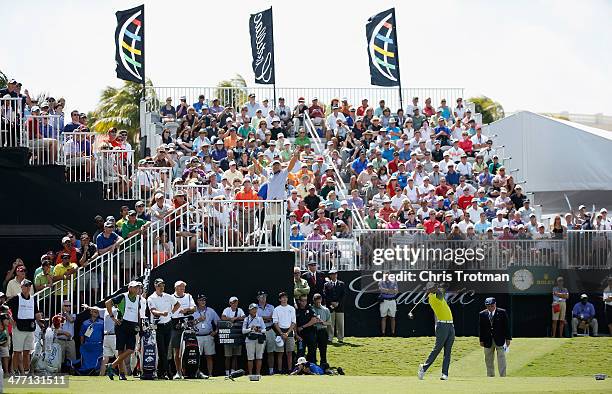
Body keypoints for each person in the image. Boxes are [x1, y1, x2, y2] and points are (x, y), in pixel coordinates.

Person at [105, 281, 144, 380]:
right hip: (122, 325)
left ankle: (111, 366)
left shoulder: (139, 298)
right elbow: (108, 303)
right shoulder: (123, 296)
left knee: (131, 349)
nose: (137, 289)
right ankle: (121, 374)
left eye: (138, 287)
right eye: (135, 287)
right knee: (121, 350)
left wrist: (139, 325)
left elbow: (138, 313)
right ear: (129, 288)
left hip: (132, 326)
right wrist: (112, 317)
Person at [418, 282, 455, 381]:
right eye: (432, 288)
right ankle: (424, 367)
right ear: (429, 291)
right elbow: (441, 292)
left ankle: (444, 374)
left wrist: (436, 286)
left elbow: (442, 289)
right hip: (442, 325)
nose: (435, 288)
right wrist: (436, 287)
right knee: (437, 349)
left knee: (448, 351)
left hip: (450, 325)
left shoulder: (437, 295)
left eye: (434, 287)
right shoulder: (433, 298)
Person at [6, 279, 43, 374]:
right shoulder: (15, 298)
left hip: (30, 329)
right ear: (21, 287)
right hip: (18, 328)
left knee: (27, 352)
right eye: (26, 286)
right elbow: (4, 308)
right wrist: (10, 319)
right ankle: (14, 372)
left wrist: (41, 323)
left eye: (29, 286)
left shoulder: (33, 299)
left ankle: (26, 372)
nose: (28, 287)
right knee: (17, 352)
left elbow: (36, 313)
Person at [146, 278, 180, 380]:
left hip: (168, 325)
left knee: (165, 349)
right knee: (161, 350)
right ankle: (168, 372)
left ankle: (161, 372)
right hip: (158, 326)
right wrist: (162, 313)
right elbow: (153, 311)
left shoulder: (168, 296)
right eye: (159, 286)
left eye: (163, 286)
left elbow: (177, 304)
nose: (162, 287)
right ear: (155, 286)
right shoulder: (151, 298)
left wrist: (170, 313)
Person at [478, 297, 511, 377]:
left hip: (500, 339)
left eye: (492, 305)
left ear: (495, 304)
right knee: (488, 359)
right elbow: (481, 328)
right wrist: (481, 340)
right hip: (487, 340)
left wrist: (508, 338)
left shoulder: (502, 312)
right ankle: (490, 376)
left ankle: (503, 376)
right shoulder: (482, 314)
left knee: (501, 358)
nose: (490, 308)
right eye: (488, 306)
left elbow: (506, 326)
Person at [170, 280, 196, 379]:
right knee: (177, 350)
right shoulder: (171, 298)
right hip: (175, 325)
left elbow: (194, 308)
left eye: (183, 287)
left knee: (192, 348)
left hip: (188, 324)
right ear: (176, 288)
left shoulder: (188, 296)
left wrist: (186, 310)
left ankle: (194, 371)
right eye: (180, 287)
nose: (182, 289)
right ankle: (178, 372)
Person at [192, 294, 219, 377]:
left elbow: (219, 322)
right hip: (197, 336)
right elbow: (189, 323)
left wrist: (216, 331)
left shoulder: (210, 311)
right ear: (197, 301)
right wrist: (199, 320)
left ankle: (210, 374)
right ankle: (197, 373)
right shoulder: (193, 310)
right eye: (201, 300)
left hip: (208, 336)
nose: (203, 302)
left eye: (204, 300)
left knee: (209, 356)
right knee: (197, 357)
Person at [272, 292, 296, 374]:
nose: (284, 299)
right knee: (280, 353)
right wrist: (282, 333)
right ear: (279, 299)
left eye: (285, 297)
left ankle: (290, 370)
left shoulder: (292, 308)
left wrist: (287, 333)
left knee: (289, 353)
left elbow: (293, 322)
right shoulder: (276, 309)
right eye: (282, 297)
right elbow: (275, 323)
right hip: (279, 333)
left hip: (289, 332)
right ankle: (279, 370)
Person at [221, 296, 245, 376]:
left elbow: (244, 317)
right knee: (228, 356)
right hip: (228, 336)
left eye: (236, 302)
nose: (234, 304)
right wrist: (230, 319)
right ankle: (227, 372)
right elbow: (223, 317)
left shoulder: (240, 310)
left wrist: (235, 318)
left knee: (235, 355)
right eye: (233, 302)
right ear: (230, 303)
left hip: (237, 335)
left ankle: (233, 372)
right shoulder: (226, 310)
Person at [255, 291, 276, 375]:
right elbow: (256, 319)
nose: (263, 298)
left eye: (264, 296)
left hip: (270, 330)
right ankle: (258, 372)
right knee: (259, 353)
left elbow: (273, 318)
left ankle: (271, 371)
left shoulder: (271, 307)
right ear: (258, 298)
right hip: (260, 331)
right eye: (261, 296)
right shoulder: (255, 307)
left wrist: (263, 318)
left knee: (271, 352)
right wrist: (267, 318)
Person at [242, 303, 266, 376]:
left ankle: (258, 374)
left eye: (255, 309)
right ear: (249, 310)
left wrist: (259, 330)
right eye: (252, 309)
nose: (254, 310)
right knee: (250, 358)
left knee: (259, 357)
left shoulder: (260, 318)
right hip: (250, 340)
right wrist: (251, 329)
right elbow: (243, 331)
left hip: (259, 339)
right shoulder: (246, 319)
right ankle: (250, 374)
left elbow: (264, 329)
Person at [323, 269, 346, 344]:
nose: (333, 275)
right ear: (330, 275)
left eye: (335, 274)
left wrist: (338, 303)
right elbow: (325, 295)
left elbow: (343, 295)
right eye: (332, 274)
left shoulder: (341, 284)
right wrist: (331, 303)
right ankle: (330, 338)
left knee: (340, 323)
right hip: (330, 306)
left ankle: (340, 338)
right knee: (330, 323)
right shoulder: (326, 284)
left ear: (337, 275)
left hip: (340, 306)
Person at [295, 294, 317, 363]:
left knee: (312, 350)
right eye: (302, 300)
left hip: (310, 333)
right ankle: (299, 368)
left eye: (305, 300)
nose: (304, 302)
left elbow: (314, 320)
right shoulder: (296, 309)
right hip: (300, 335)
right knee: (301, 351)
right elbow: (294, 323)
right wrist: (296, 334)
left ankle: (311, 367)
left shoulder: (309, 308)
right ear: (299, 301)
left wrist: (303, 327)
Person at [311, 293, 331, 366]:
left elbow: (329, 322)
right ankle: (313, 364)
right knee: (313, 348)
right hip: (313, 330)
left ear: (321, 300)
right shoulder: (310, 309)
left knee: (323, 349)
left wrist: (323, 322)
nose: (318, 304)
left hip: (322, 331)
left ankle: (323, 364)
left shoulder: (326, 310)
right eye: (316, 302)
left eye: (319, 302)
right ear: (314, 301)